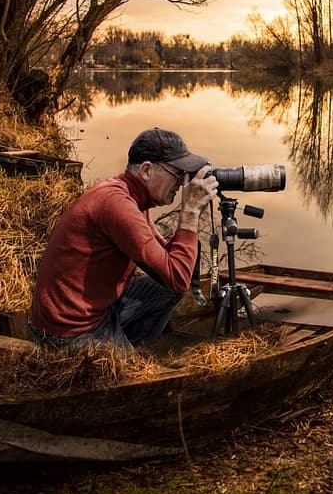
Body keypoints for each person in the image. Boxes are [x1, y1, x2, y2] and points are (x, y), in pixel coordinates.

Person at [29, 128, 219, 350]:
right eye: (178, 174)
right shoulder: (118, 205)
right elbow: (177, 276)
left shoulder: (133, 198)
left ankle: (130, 346)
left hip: (93, 307)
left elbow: (172, 269)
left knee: (169, 291)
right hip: (69, 331)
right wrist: (189, 213)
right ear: (147, 170)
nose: (182, 183)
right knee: (140, 377)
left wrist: (190, 220)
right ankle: (124, 356)